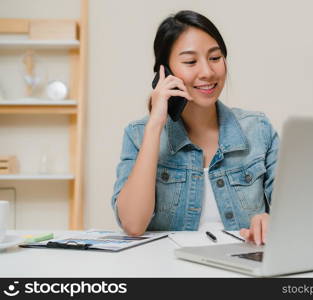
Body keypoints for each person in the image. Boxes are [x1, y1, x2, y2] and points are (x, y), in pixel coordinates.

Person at [111, 10, 279, 246]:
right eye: (190, 62)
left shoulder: (258, 129)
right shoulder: (138, 134)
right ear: (165, 72)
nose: (208, 72)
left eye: (215, 58)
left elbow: (297, 213)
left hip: (242, 267)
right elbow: (133, 224)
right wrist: (155, 125)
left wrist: (272, 219)